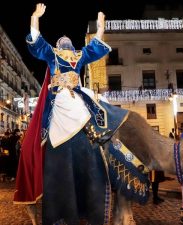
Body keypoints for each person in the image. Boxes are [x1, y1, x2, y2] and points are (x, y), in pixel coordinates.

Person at [13, 3, 114, 225]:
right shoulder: (56, 54)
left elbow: (95, 46)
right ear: (60, 45)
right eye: (62, 41)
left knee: (100, 111)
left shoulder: (78, 55)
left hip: (75, 96)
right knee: (57, 122)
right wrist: (34, 18)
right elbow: (37, 42)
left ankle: (109, 150)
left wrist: (100, 27)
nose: (65, 41)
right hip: (60, 98)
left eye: (66, 41)